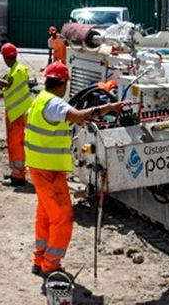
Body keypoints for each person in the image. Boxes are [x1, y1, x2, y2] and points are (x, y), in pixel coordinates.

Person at [26, 61, 126, 278]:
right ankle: (51, 265)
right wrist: (109, 107)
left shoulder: (40, 101)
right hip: (49, 172)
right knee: (62, 218)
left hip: (40, 168)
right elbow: (79, 116)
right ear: (62, 84)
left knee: (45, 216)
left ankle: (39, 259)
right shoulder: (54, 104)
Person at [0, 42, 31, 186]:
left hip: (17, 115)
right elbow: (9, 88)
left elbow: (9, 85)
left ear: (6, 58)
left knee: (16, 145)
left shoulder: (16, 71)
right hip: (16, 113)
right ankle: (15, 172)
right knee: (14, 145)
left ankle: (18, 177)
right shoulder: (15, 69)